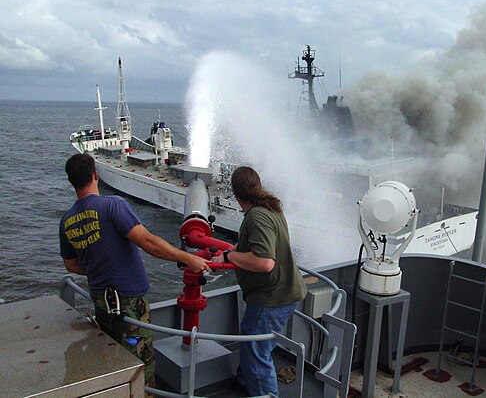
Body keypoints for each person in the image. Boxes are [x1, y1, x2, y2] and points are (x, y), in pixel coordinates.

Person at [59, 153, 211, 392]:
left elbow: (71, 264)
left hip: (102, 303)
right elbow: (148, 242)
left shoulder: (67, 221)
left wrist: (99, 265)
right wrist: (188, 258)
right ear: (95, 175)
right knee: (140, 362)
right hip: (130, 303)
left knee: (113, 358)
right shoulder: (112, 205)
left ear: (72, 182)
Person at [212, 166, 307, 397]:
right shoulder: (271, 207)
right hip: (281, 291)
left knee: (256, 351)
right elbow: (264, 244)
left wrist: (228, 256)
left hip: (271, 297)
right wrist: (237, 249)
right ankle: (245, 381)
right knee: (253, 341)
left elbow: (265, 262)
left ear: (234, 193)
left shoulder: (256, 216)